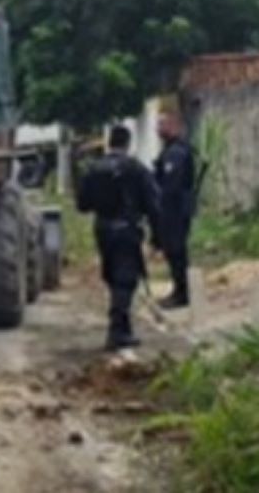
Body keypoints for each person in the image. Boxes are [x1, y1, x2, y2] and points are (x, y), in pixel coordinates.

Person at [77, 125, 161, 350]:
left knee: (113, 277)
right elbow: (153, 204)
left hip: (103, 229)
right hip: (127, 229)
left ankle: (123, 328)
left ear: (109, 142)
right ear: (128, 143)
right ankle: (117, 331)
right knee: (126, 279)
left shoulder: (94, 169)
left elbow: (82, 204)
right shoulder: (136, 169)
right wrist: (157, 237)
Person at [153, 111, 196, 309]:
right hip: (172, 209)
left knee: (176, 251)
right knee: (172, 251)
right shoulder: (171, 150)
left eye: (162, 124)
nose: (158, 129)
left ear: (174, 126)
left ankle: (182, 293)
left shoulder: (176, 152)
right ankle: (179, 291)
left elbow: (171, 185)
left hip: (175, 209)